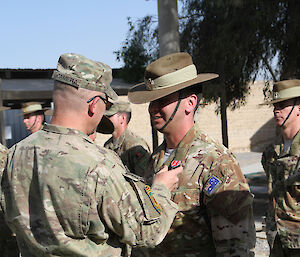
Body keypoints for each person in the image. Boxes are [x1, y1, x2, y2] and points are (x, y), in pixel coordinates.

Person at [0, 53, 183, 257]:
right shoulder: (99, 164)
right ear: (94, 104)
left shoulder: (15, 155)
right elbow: (148, 232)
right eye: (106, 103)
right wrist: (161, 190)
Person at [128, 52, 256, 257]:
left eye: (162, 100)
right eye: (151, 101)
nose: (153, 108)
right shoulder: (154, 161)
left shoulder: (216, 162)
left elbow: (235, 247)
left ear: (190, 103)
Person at [261, 79, 300, 257]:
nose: (276, 110)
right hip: (276, 240)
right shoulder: (271, 153)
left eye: (283, 105)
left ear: (299, 108)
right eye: (275, 105)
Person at [104, 101, 151, 177]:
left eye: (109, 116)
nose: (106, 120)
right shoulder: (108, 144)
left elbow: (145, 178)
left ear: (123, 118)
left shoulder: (134, 145)